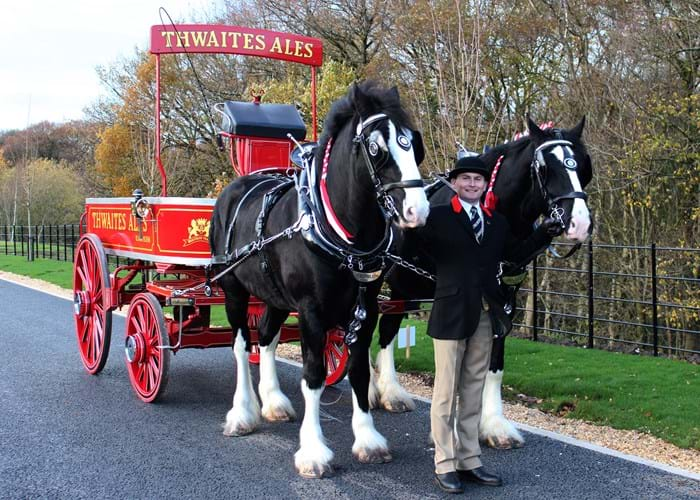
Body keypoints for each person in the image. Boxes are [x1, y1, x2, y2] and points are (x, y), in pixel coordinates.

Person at [412, 155, 561, 494]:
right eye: (465, 179)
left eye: (478, 180)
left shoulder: (496, 223)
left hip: (484, 314)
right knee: (446, 393)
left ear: (485, 185)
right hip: (450, 313)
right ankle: (445, 462)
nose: (472, 184)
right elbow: (414, 246)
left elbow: (516, 254)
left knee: (474, 391)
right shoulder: (435, 218)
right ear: (454, 183)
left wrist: (542, 234)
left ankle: (469, 459)